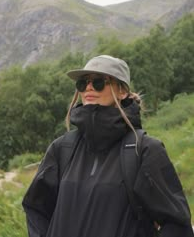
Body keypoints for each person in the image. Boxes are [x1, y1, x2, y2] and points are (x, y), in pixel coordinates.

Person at [22, 55, 194, 237]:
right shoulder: (62, 148)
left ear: (122, 91)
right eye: (83, 82)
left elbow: (176, 225)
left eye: (98, 82)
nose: (88, 87)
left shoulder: (144, 150)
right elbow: (35, 208)